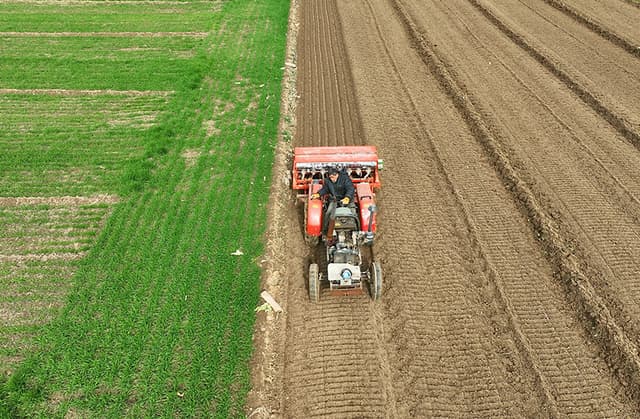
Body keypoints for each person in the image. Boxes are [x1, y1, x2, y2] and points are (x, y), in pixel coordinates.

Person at [311, 167, 355, 245]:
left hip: (346, 199)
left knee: (353, 213)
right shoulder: (328, 181)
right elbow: (325, 189)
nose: (332, 179)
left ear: (337, 175)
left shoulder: (345, 179)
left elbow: (350, 188)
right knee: (328, 213)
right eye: (330, 177)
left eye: (333, 177)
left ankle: (355, 232)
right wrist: (318, 194)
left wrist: (347, 197)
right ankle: (326, 232)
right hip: (335, 200)